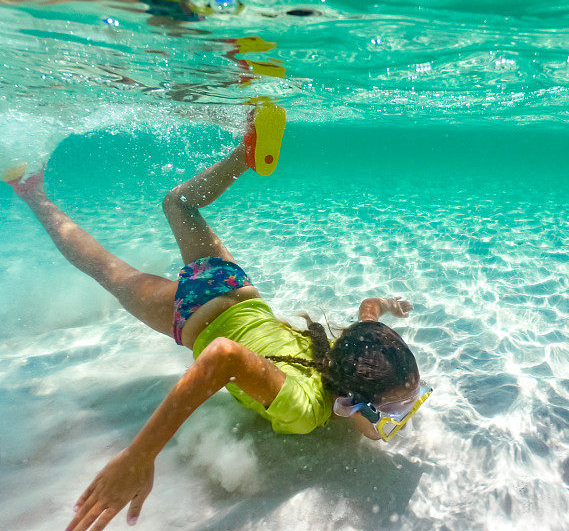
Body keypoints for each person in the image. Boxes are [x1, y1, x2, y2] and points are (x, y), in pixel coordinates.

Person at [4, 126, 429, 531]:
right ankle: (32, 191)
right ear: (350, 403)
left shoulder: (351, 346)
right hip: (193, 315)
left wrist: (388, 306)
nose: (396, 421)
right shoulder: (303, 408)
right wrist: (140, 454)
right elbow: (223, 354)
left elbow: (368, 309)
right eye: (390, 412)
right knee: (107, 270)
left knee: (178, 205)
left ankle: (245, 156)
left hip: (238, 287)